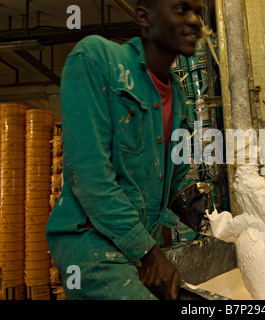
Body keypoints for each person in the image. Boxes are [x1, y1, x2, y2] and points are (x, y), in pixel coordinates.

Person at [46, 0, 203, 300]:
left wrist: (202, 209)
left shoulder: (180, 99)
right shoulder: (96, 59)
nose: (195, 21)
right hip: (94, 247)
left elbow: (174, 180)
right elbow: (89, 175)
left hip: (142, 246)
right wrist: (149, 254)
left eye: (199, 12)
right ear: (144, 16)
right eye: (181, 9)